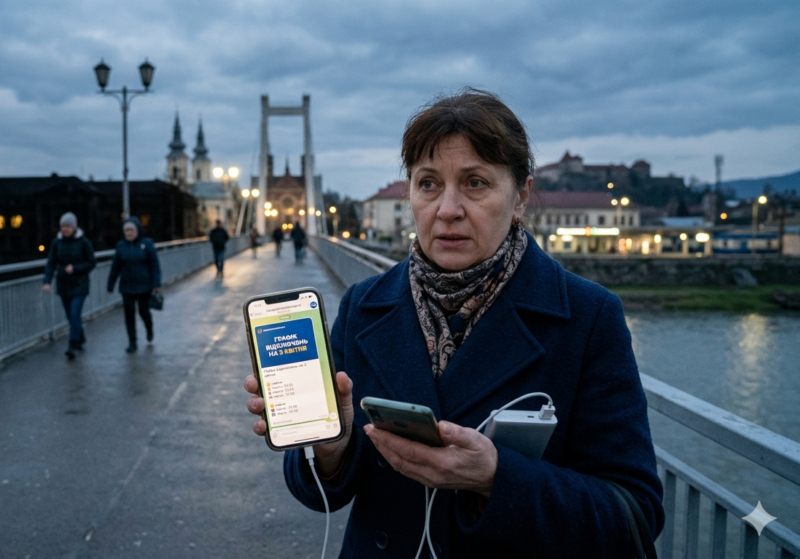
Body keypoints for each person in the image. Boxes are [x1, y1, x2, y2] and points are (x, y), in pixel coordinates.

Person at [244, 89, 663, 557]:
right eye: (428, 183)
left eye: (475, 183)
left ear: (521, 195)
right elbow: (320, 492)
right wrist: (330, 449)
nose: (447, 209)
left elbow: (635, 513)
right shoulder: (364, 305)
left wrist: (496, 478)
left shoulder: (587, 318)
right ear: (409, 194)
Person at [42, 212, 96, 360]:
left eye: (68, 226)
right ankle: (81, 337)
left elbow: (91, 262)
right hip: (63, 284)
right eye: (63, 226)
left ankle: (72, 345)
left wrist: (76, 268)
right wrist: (47, 281)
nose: (65, 229)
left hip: (80, 284)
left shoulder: (84, 242)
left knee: (74, 313)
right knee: (72, 317)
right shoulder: (57, 243)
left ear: (74, 227)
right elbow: (51, 263)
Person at [107, 217, 161, 353]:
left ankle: (149, 328)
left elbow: (154, 265)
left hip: (144, 285)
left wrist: (156, 284)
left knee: (143, 311)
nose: (129, 233)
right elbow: (115, 267)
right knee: (129, 314)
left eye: (131, 230)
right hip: (127, 286)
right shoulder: (121, 246)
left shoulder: (147, 244)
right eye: (126, 231)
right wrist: (110, 285)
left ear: (137, 231)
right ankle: (132, 342)